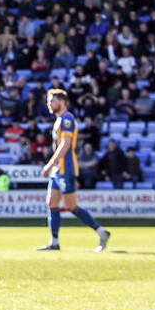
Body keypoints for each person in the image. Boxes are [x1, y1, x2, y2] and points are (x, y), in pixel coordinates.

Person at [36, 89, 111, 252]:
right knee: (51, 202)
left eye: (52, 101)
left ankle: (101, 231)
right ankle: (54, 242)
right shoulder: (58, 120)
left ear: (62, 102)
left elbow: (66, 144)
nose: (49, 104)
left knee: (71, 206)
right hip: (58, 170)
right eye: (49, 101)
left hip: (66, 169)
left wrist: (49, 164)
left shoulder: (67, 119)